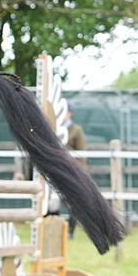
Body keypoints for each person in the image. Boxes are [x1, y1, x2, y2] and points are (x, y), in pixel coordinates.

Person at [63, 102, 87, 239]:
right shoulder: (54, 128)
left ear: (70, 113)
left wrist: (79, 173)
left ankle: (70, 231)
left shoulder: (76, 130)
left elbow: (81, 153)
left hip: (72, 171)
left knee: (73, 203)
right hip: (56, 170)